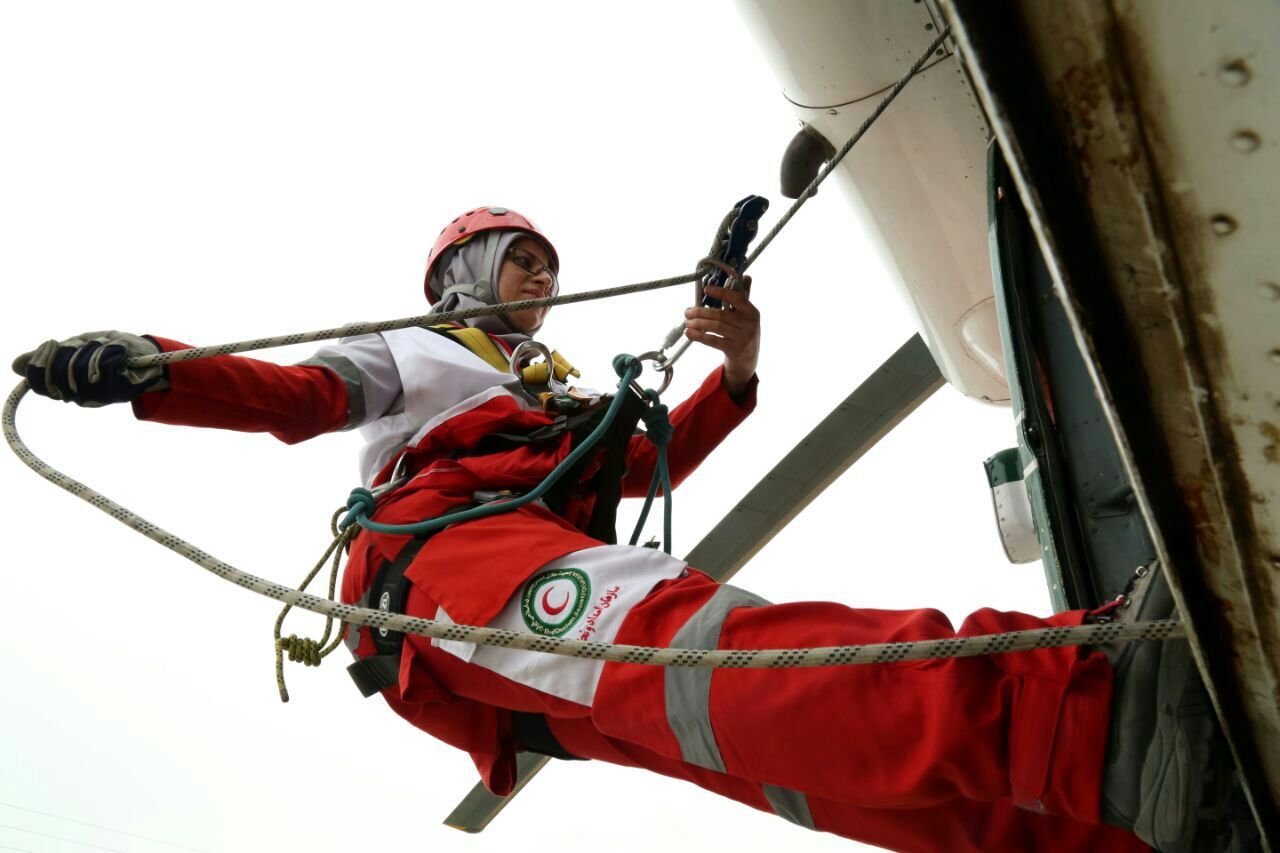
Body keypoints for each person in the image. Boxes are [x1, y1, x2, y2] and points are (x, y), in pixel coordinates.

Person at [14, 206, 1229, 853]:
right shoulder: (417, 347)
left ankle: (1103, 827)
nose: (538, 277)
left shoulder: (548, 390)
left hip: (499, 601)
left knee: (762, 751)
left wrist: (732, 368)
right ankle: (1092, 715)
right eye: (517, 260)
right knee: (706, 658)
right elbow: (300, 400)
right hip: (448, 561)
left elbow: (651, 457)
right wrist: (152, 373)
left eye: (544, 262)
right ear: (462, 273)